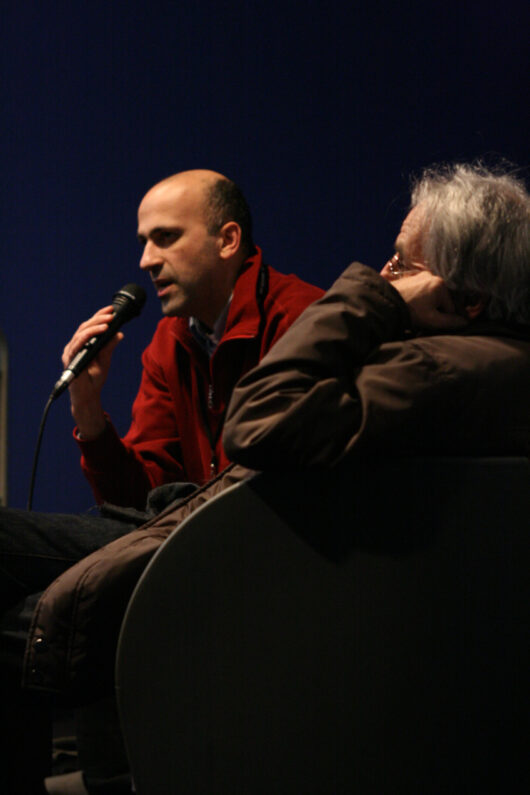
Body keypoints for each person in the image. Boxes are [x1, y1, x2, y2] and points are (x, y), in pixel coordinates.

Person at [0, 169, 323, 794]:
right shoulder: (173, 339)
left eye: (166, 238)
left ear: (228, 240)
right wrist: (88, 410)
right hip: (175, 535)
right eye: (144, 241)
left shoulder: (301, 318)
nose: (146, 260)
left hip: (242, 547)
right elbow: (131, 502)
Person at [223, 162, 530, 469]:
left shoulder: (426, 370)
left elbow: (256, 420)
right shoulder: (499, 363)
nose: (384, 275)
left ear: (470, 298)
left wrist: (375, 299)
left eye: (402, 264)